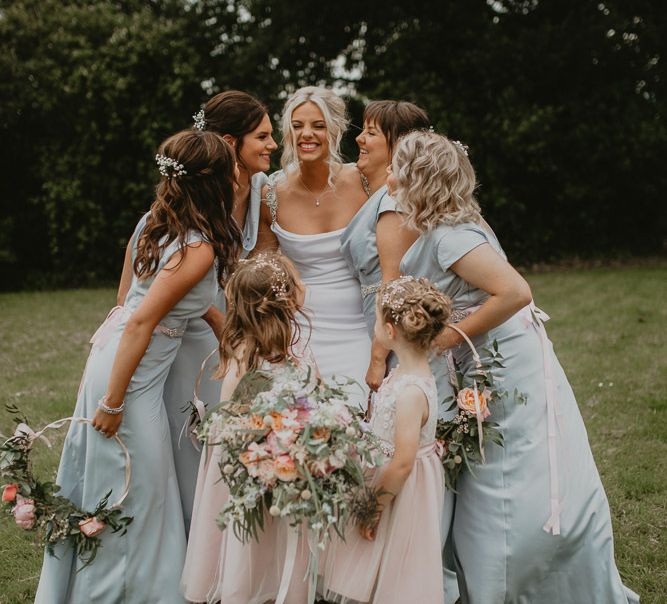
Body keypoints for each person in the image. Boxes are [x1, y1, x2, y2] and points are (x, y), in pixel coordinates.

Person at [393, 130, 640, 603]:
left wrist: (443, 338)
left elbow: (515, 292)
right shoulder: (456, 223)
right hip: (491, 361)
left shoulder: (451, 237)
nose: (391, 179)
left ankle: (511, 583)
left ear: (416, 179)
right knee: (502, 473)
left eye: (398, 170)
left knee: (504, 480)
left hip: (502, 370)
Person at [35, 129, 242, 603]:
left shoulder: (156, 221)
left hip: (112, 355)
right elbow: (144, 319)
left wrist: (218, 326)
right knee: (137, 493)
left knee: (125, 487)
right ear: (212, 183)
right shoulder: (198, 246)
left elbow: (133, 299)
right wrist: (113, 401)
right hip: (128, 378)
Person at [116, 91, 277, 532]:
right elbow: (129, 300)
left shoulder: (266, 195)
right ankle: (186, 545)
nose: (273, 145)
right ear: (230, 143)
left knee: (224, 446)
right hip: (184, 341)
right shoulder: (184, 207)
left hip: (231, 340)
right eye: (262, 136)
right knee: (184, 444)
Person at [181, 252, 313, 604]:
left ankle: (273, 590)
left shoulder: (293, 350)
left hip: (285, 460)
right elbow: (233, 418)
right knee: (252, 544)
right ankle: (248, 591)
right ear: (285, 301)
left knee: (275, 541)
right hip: (249, 466)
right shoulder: (246, 358)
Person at [320, 276, 450, 604]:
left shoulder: (410, 392)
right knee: (372, 560)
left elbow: (404, 461)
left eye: (378, 319)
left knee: (397, 567)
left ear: (390, 331)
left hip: (400, 490)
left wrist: (372, 507)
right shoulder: (405, 373)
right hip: (387, 473)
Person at [256, 85, 371, 410]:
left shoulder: (363, 182)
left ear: (335, 129)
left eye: (317, 125)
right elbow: (264, 270)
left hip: (359, 331)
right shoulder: (271, 194)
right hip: (300, 334)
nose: (307, 134)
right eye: (297, 126)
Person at [341, 100, 428, 393]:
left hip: (392, 332)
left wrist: (378, 358)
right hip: (375, 324)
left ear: (398, 146)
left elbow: (392, 285)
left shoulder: (394, 203)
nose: (359, 138)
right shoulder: (381, 196)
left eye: (371, 132)